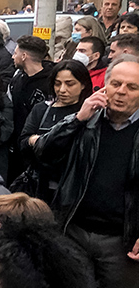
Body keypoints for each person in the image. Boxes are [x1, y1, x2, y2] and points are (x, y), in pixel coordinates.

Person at [34, 56, 139, 288]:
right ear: (103, 85)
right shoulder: (86, 121)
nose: (121, 92)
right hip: (74, 230)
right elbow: (44, 152)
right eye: (116, 84)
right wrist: (75, 120)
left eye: (131, 87)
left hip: (122, 241)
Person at [18, 60, 93, 201]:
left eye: (70, 84)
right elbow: (23, 143)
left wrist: (38, 140)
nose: (62, 90)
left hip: (75, 189)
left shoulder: (89, 113)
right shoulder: (41, 109)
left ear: (83, 84)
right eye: (57, 84)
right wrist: (34, 141)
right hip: (39, 186)